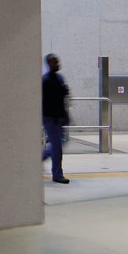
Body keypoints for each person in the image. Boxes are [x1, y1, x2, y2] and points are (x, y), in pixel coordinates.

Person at [41, 53, 71, 184]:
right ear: (48, 64)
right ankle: (57, 174)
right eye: (54, 62)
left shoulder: (59, 78)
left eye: (57, 61)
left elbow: (62, 99)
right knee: (57, 147)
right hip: (51, 118)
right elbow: (45, 101)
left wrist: (65, 115)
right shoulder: (45, 80)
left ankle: (39, 158)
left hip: (59, 117)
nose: (57, 64)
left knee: (59, 144)